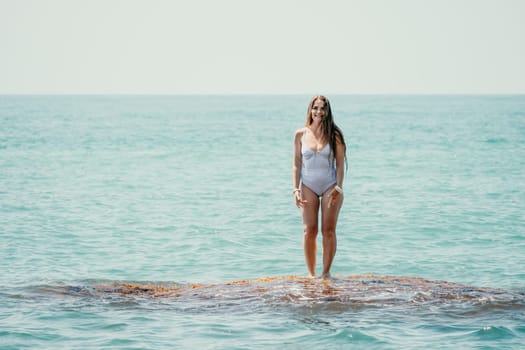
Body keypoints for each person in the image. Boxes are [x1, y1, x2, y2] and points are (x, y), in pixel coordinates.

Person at [292, 95, 347, 279]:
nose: (319, 112)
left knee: (328, 231)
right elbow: (297, 164)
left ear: (327, 112)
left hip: (330, 185)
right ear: (310, 110)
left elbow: (340, 165)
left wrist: (338, 188)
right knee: (309, 231)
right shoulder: (300, 134)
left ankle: (325, 274)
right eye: (316, 108)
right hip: (308, 185)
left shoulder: (335, 135)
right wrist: (295, 188)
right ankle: (311, 275)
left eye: (323, 108)